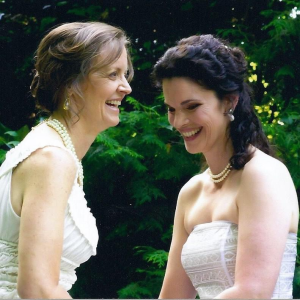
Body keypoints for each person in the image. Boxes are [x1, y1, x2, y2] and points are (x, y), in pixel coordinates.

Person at [152, 34, 299, 299]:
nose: (179, 121)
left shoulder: (264, 175)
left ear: (229, 101)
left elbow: (252, 293)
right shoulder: (191, 192)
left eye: (192, 106)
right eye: (171, 109)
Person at [0, 22, 133, 298]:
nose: (126, 87)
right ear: (72, 84)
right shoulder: (51, 159)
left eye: (125, 74)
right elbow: (37, 289)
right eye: (112, 74)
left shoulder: (52, 149)